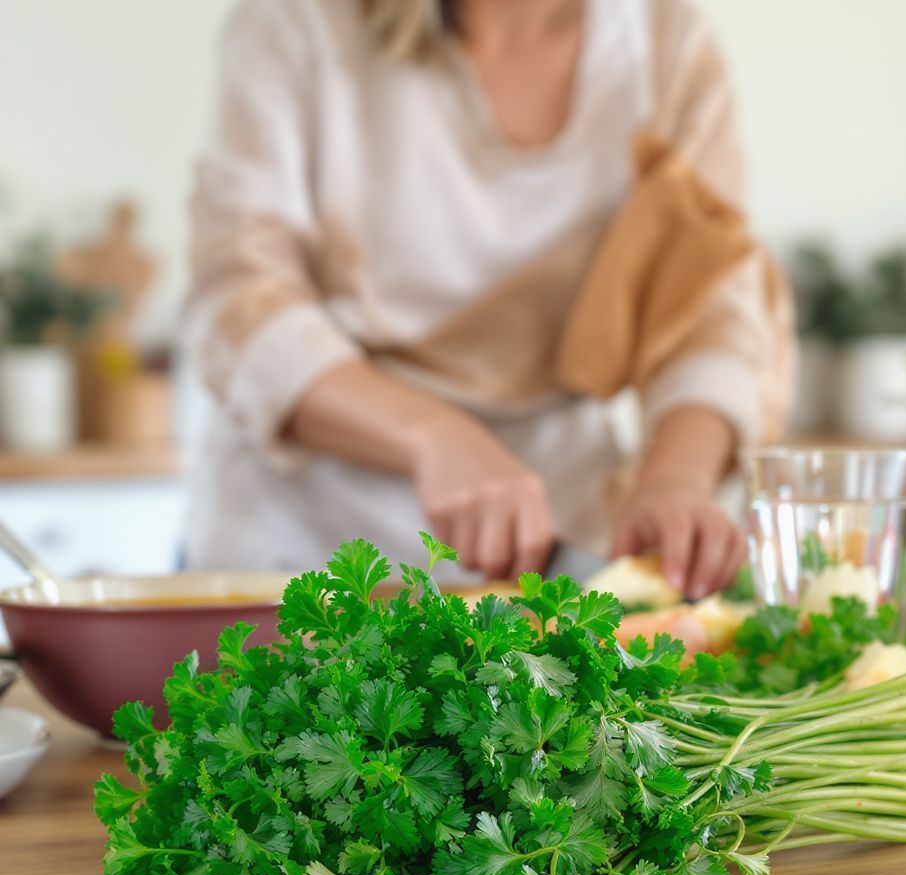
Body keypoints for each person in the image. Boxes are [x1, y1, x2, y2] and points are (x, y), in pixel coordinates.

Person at [183, 0, 793, 596]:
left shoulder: (666, 39)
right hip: (309, 538)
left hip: (559, 535)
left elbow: (712, 309)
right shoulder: (294, 24)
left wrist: (674, 479)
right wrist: (432, 437)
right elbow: (237, 300)